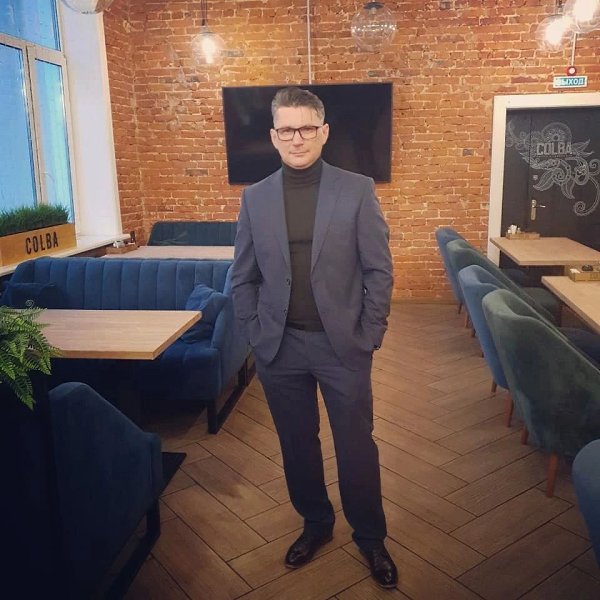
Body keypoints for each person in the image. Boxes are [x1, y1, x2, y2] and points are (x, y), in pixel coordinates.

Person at [231, 87, 397, 589]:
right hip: (279, 347)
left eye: (306, 128)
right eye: (287, 129)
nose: (297, 138)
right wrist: (255, 332)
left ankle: (370, 536)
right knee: (297, 444)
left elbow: (379, 269)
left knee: (356, 445)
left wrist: (370, 332)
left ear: (323, 132)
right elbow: (243, 276)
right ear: (273, 136)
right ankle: (316, 522)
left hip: (342, 345)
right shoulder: (255, 197)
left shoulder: (357, 189)